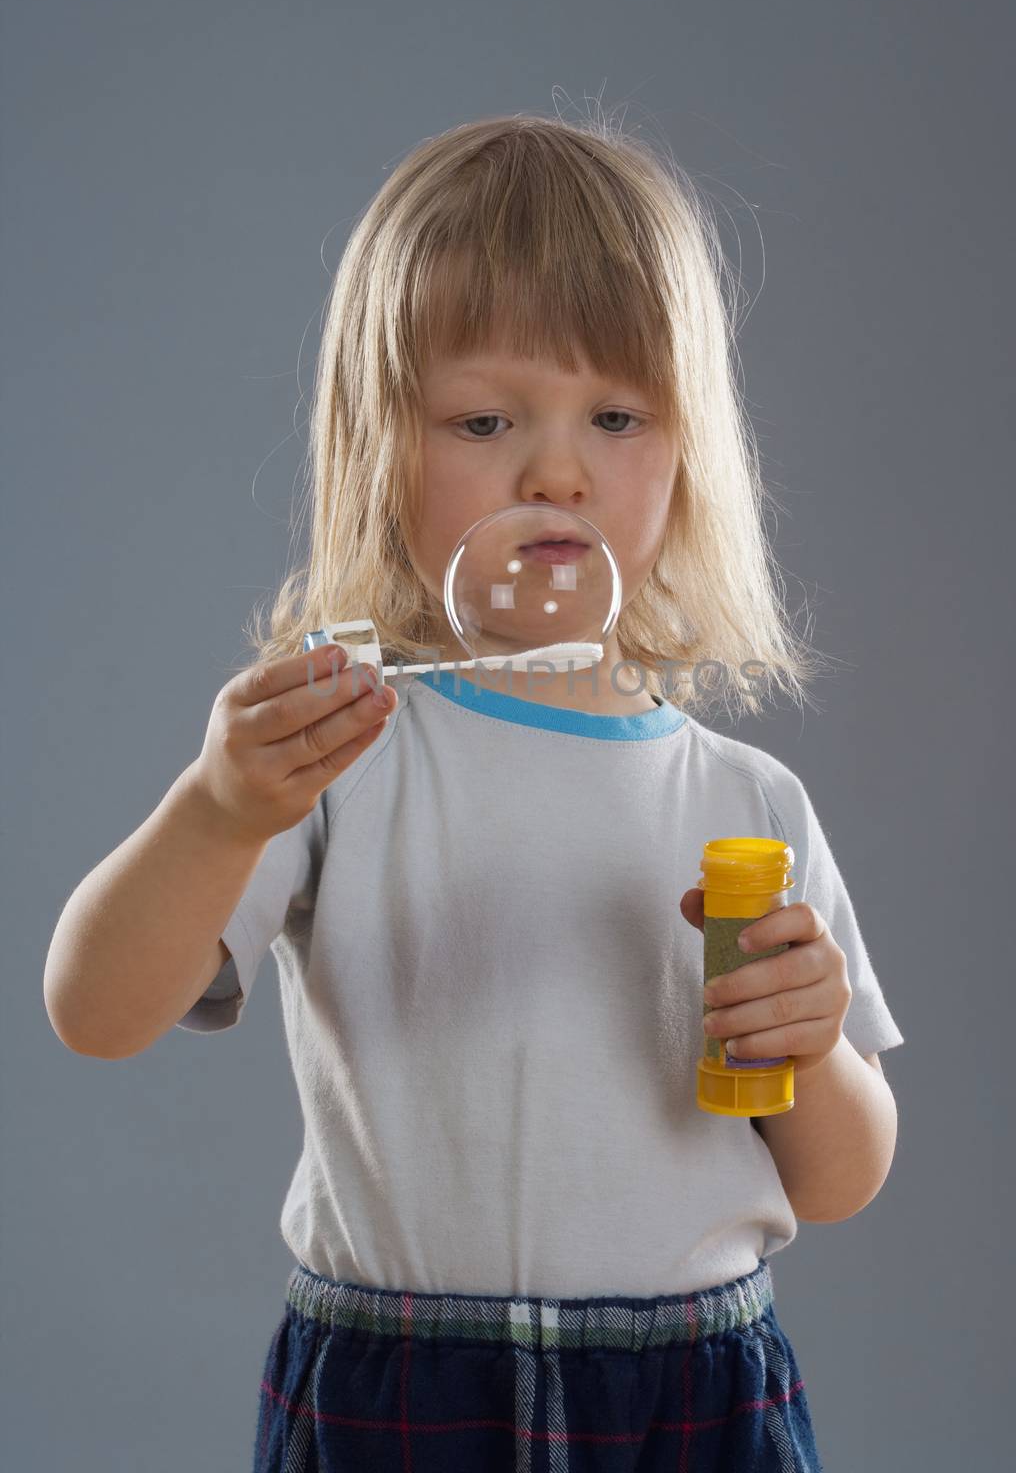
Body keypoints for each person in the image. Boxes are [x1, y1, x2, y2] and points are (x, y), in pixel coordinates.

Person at [45, 113, 904, 1472]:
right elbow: (94, 1013)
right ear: (380, 447)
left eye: (616, 417)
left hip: (694, 1391)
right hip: (396, 1388)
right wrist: (216, 813)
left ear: (686, 454)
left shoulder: (746, 796)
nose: (556, 469)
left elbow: (840, 1180)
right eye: (486, 419)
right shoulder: (341, 747)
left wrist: (811, 1051)